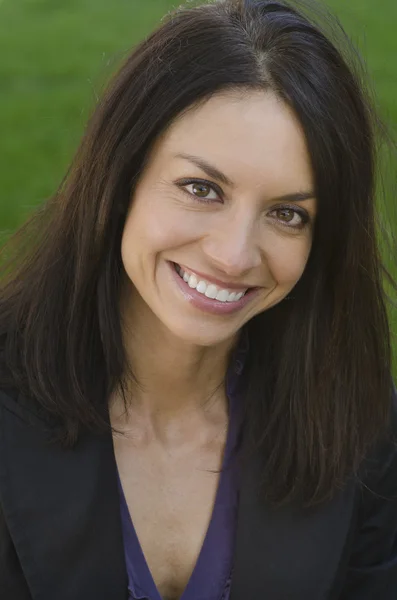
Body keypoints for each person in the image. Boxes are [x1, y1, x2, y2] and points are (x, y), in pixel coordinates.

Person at [0, 0, 396, 598]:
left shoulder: (360, 421)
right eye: (201, 188)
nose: (235, 255)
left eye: (288, 213)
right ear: (120, 178)